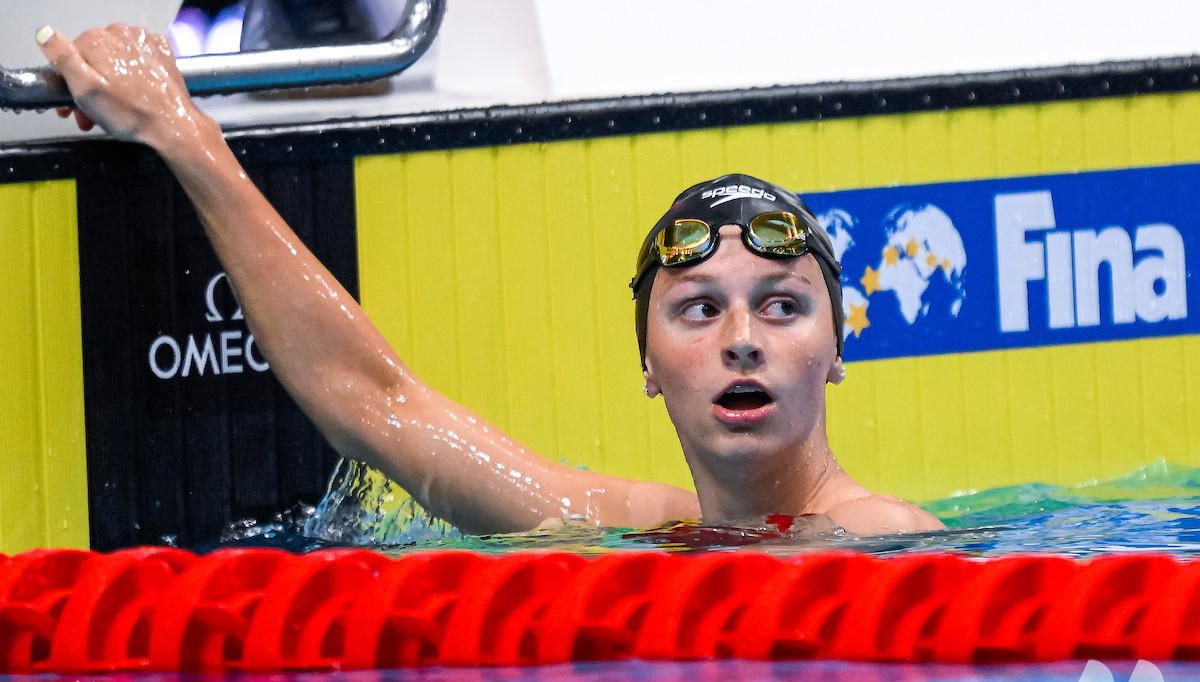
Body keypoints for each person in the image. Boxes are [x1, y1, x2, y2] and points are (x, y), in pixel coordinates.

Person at [35, 23, 944, 536]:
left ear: (836, 352)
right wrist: (181, 130)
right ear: (647, 364)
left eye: (781, 305)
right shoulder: (638, 529)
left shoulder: (884, 539)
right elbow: (373, 405)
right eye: (699, 308)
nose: (742, 336)